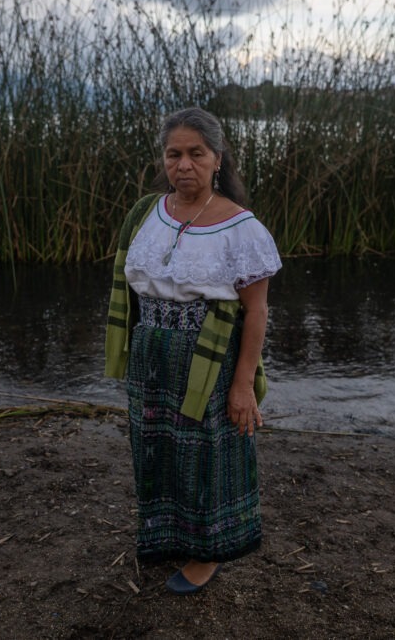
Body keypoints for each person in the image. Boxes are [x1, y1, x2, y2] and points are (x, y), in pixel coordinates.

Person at [104, 107, 282, 595]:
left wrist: (243, 384)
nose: (184, 165)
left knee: (206, 455)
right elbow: (135, 290)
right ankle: (169, 536)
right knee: (157, 449)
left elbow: (258, 313)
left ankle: (207, 552)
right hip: (151, 352)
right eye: (174, 154)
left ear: (216, 159)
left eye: (195, 154)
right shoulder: (147, 213)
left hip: (206, 356)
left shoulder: (242, 228)